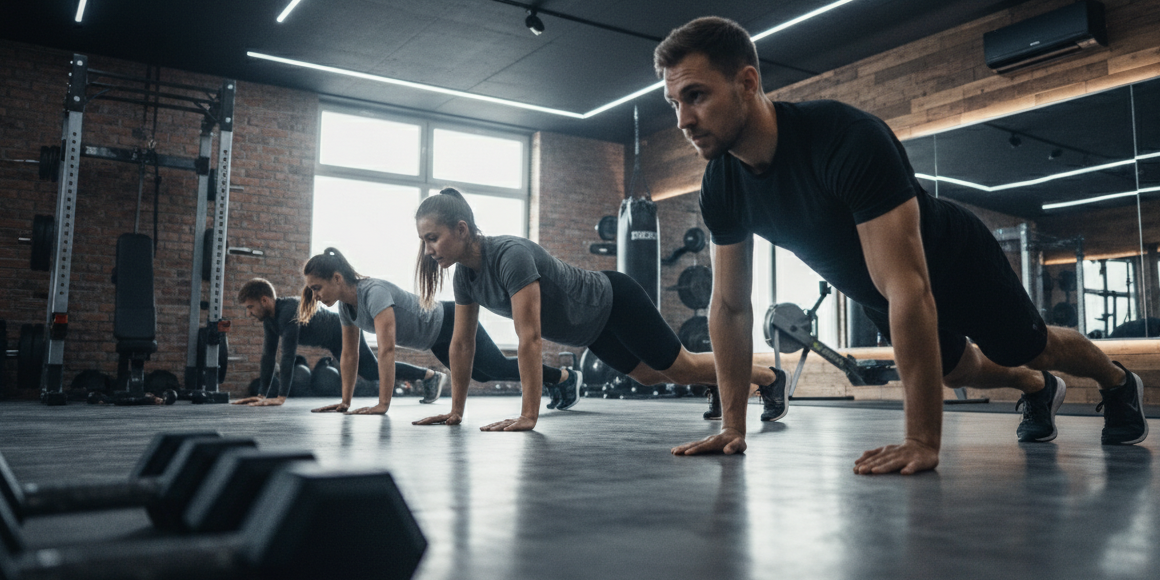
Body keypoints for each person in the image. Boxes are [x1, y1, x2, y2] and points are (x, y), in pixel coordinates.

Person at [656, 16, 1148, 475]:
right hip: (875, 288)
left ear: (747, 82)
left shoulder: (844, 139)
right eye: (674, 103)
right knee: (958, 372)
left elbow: (909, 287)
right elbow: (730, 306)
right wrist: (732, 428)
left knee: (1030, 346)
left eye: (695, 96)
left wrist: (921, 440)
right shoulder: (720, 184)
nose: (683, 120)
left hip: (953, 260)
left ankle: (1118, 382)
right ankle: (1037, 388)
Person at [410, 188, 784, 432]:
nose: (428, 249)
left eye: (432, 238)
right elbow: (461, 345)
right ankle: (716, 384)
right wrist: (456, 410)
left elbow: (530, 338)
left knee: (680, 366)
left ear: (461, 229)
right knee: (650, 377)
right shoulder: (465, 278)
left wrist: (529, 415)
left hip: (614, 301)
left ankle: (769, 377)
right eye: (423, 240)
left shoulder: (511, 256)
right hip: (592, 330)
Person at [301, 247, 579, 415]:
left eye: (317, 288)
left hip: (448, 319)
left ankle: (565, 377)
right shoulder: (345, 307)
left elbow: (386, 349)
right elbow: (350, 355)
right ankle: (558, 379)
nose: (315, 295)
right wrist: (345, 402)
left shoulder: (373, 292)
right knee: (483, 374)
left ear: (337, 278)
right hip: (435, 340)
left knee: (493, 367)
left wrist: (383, 404)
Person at [232, 277, 444, 407]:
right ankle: (430, 376)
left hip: (343, 328)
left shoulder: (288, 312)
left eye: (250, 307)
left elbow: (287, 355)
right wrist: (261, 394)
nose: (250, 313)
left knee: (370, 371)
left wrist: (280, 397)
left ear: (264, 300)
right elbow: (268, 356)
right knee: (371, 371)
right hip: (332, 339)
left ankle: (431, 376)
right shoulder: (270, 320)